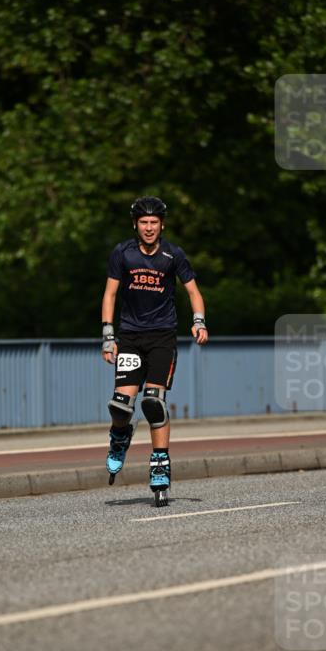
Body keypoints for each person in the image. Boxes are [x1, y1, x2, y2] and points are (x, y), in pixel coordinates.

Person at [100, 196, 208, 505]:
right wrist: (108, 335)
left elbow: (193, 292)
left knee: (153, 402)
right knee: (121, 406)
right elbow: (110, 294)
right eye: (144, 222)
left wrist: (199, 321)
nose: (149, 228)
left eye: (154, 222)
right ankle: (120, 438)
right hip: (130, 337)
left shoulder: (173, 254)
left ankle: (160, 464)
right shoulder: (123, 253)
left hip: (162, 338)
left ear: (162, 225)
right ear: (135, 225)